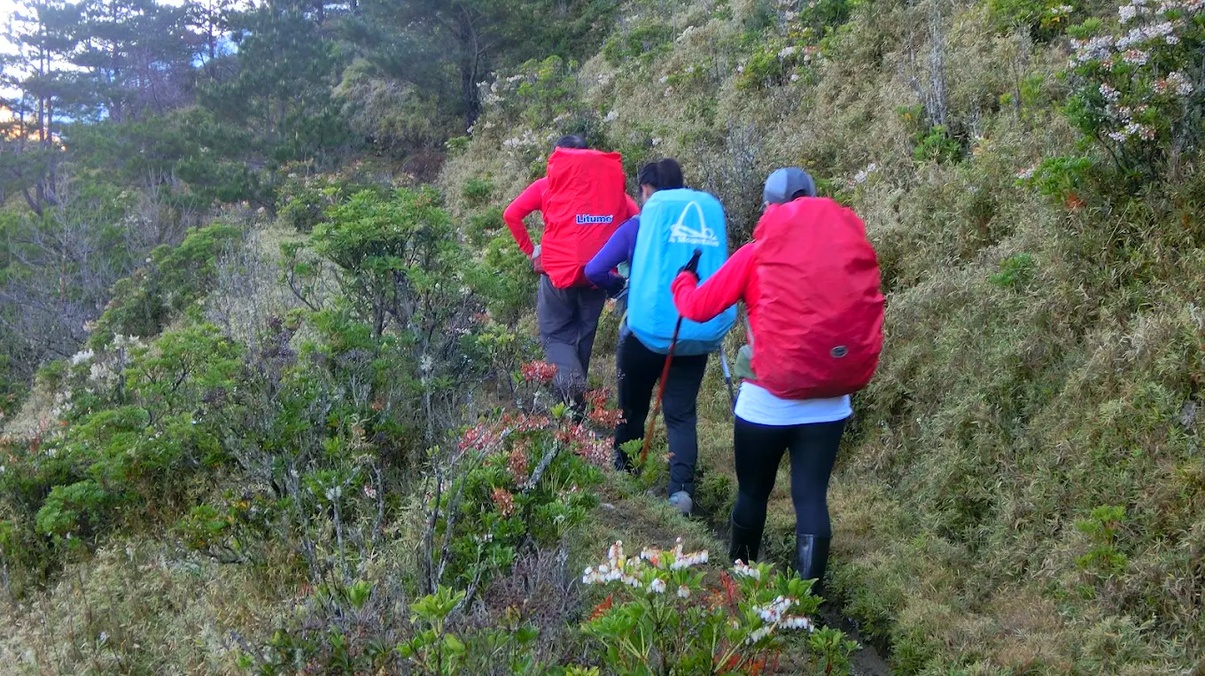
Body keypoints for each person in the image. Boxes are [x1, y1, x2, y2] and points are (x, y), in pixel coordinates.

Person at [670, 167, 884, 591]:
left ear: (770, 206)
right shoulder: (846, 252)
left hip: (767, 400)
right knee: (810, 497)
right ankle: (808, 605)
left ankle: (741, 586)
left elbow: (695, 308)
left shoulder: (757, 252)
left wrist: (684, 278)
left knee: (753, 494)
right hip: (830, 399)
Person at [586, 159, 735, 515]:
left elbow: (593, 269)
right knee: (681, 415)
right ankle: (680, 492)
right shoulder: (702, 223)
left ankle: (626, 476)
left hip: (643, 334)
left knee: (632, 409)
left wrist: (621, 287)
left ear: (646, 191)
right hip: (693, 331)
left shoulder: (636, 228)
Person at [503, 135, 639, 408]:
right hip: (597, 278)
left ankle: (571, 399)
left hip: (557, 277)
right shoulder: (612, 193)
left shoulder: (548, 186)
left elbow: (511, 214)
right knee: (583, 338)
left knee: (556, 335)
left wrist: (532, 252)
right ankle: (578, 409)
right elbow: (637, 219)